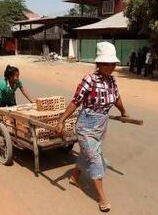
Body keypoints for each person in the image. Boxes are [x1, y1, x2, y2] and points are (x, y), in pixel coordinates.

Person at [55, 42, 129, 213]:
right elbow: (76, 101)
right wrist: (61, 120)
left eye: (112, 64)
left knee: (87, 154)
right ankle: (102, 198)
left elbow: (116, 98)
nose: (110, 67)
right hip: (85, 126)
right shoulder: (89, 80)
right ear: (98, 64)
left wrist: (124, 111)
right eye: (106, 63)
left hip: (101, 125)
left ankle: (74, 177)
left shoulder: (112, 81)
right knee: (95, 159)